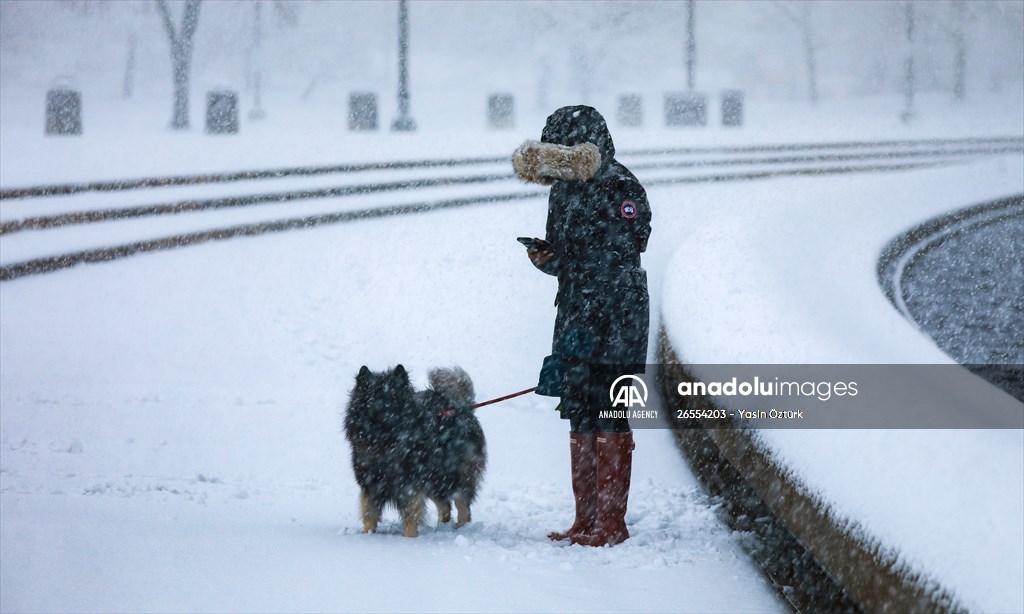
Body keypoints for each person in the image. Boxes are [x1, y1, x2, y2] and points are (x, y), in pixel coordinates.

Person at [512, 105, 652, 547]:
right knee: (578, 415)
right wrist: (548, 260)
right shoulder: (563, 190)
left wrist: (577, 264)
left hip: (617, 317)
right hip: (575, 313)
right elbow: (572, 257)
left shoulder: (621, 186)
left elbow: (630, 246)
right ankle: (584, 520)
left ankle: (612, 523)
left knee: (610, 414)